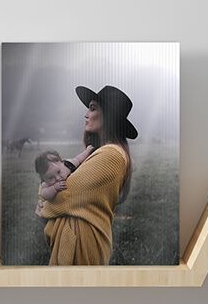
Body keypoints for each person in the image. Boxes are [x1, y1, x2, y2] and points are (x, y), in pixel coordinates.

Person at [39, 85, 138, 265]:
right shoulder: (103, 152)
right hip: (84, 240)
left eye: (92, 108)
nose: (86, 114)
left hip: (86, 244)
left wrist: (44, 198)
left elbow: (64, 194)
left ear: (108, 116)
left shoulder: (112, 155)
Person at [33, 146, 95, 217]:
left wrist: (87, 151)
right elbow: (44, 195)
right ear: (43, 178)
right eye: (50, 178)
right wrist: (54, 188)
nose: (57, 178)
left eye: (59, 172)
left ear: (62, 162)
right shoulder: (46, 184)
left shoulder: (68, 165)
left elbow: (78, 158)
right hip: (60, 208)